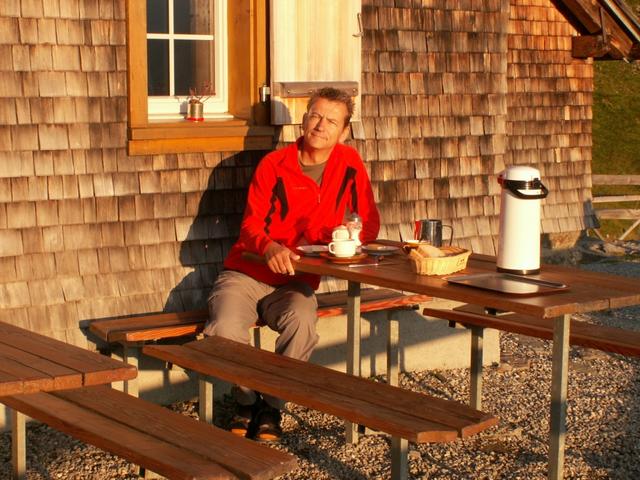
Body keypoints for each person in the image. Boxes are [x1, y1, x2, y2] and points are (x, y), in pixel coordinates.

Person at [204, 87, 380, 442]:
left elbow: (369, 222)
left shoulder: (350, 164)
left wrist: (351, 232)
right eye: (315, 115)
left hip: (296, 280)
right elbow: (251, 226)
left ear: (344, 131)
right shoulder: (275, 164)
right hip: (247, 271)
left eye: (332, 120)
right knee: (223, 327)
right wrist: (268, 247)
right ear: (303, 119)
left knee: (302, 323)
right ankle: (245, 398)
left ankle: (270, 405)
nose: (321, 125)